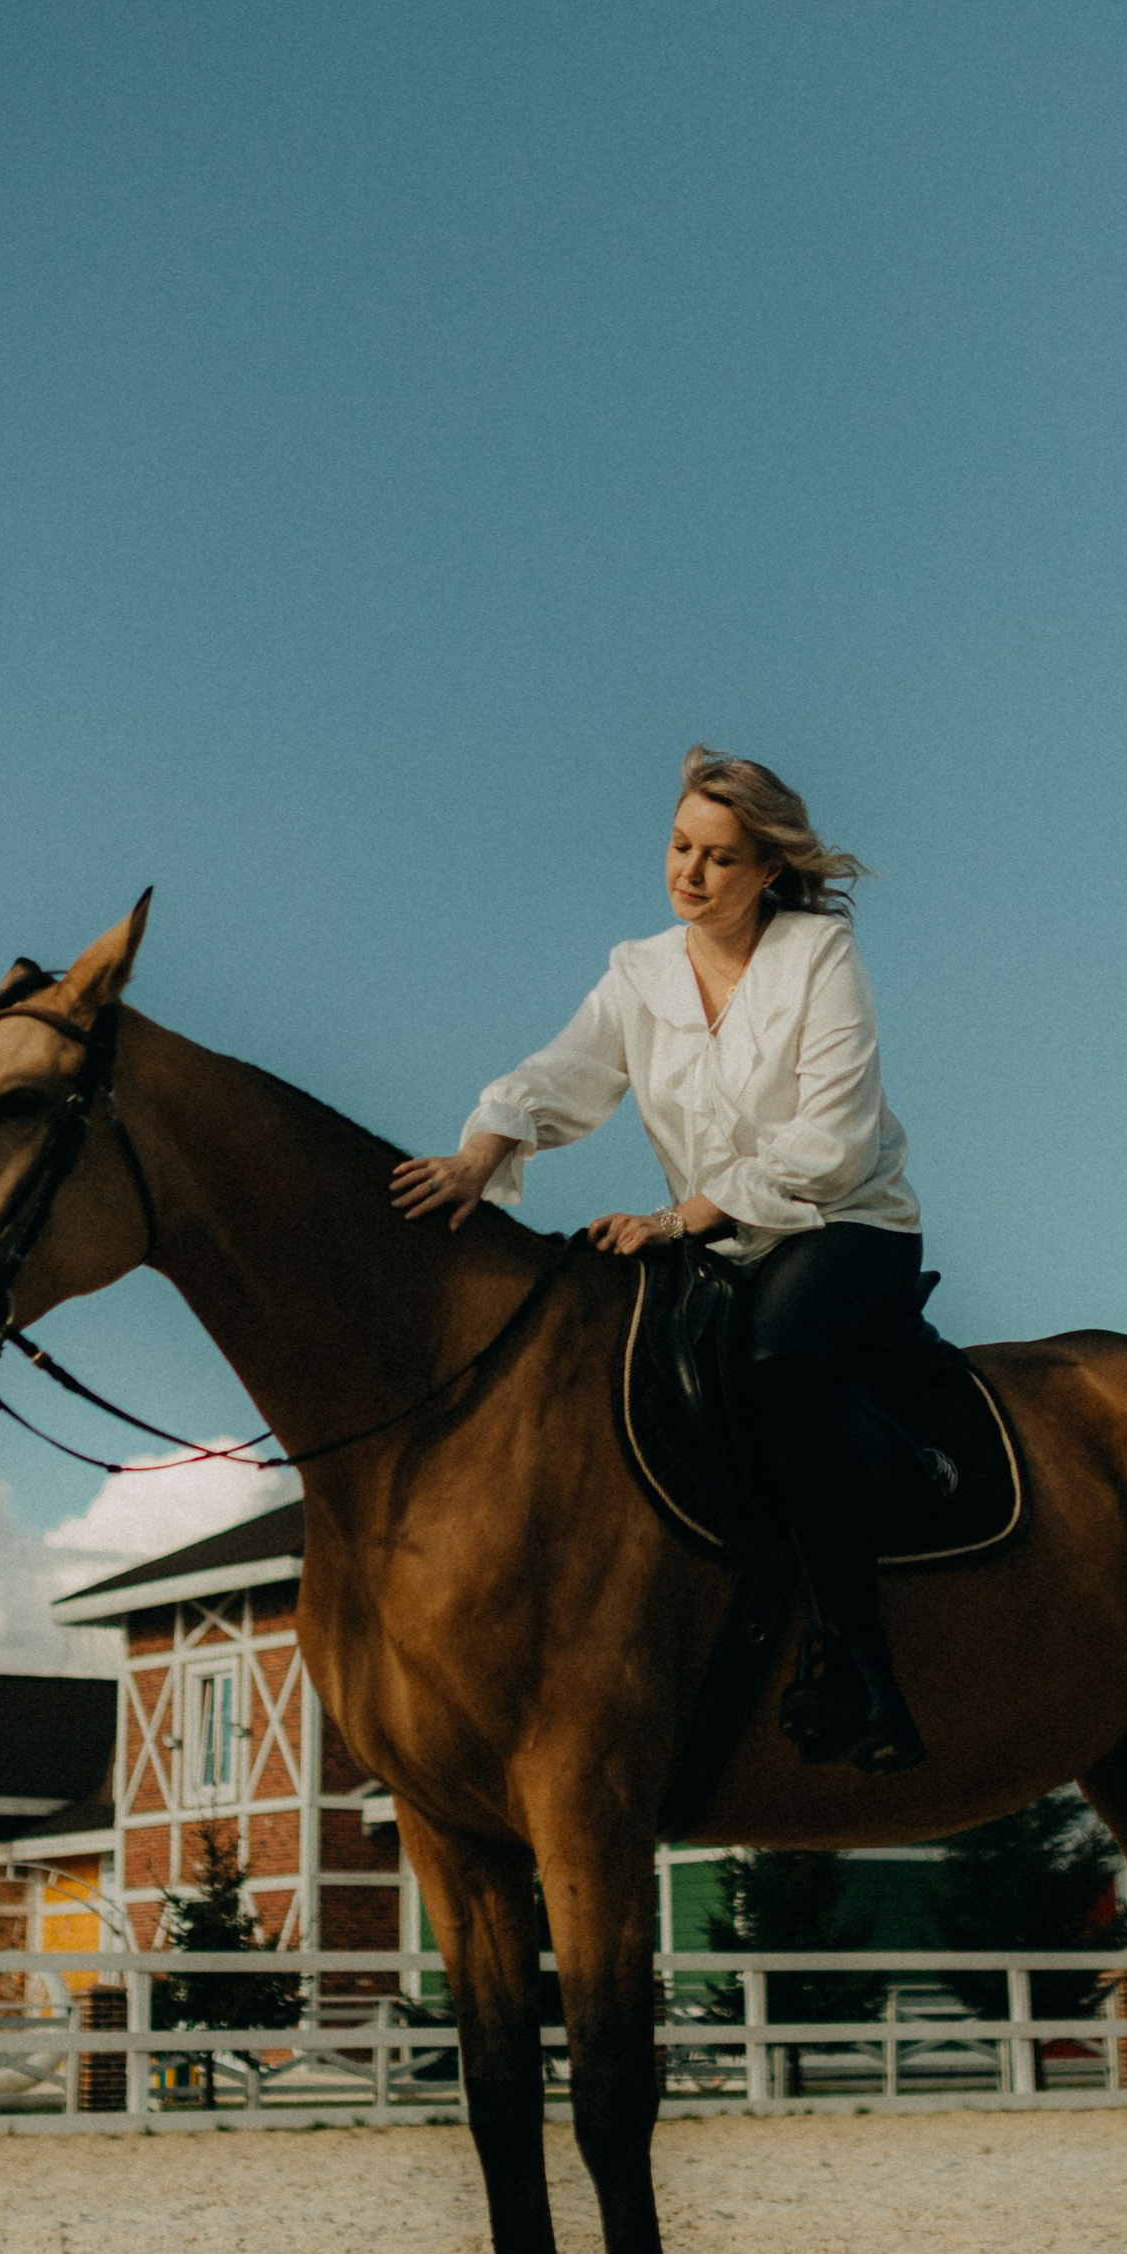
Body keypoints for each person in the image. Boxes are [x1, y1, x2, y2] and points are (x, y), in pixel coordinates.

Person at [392, 746, 928, 1775]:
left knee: (777, 1363)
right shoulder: (638, 971)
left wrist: (679, 1219)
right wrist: (478, 1154)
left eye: (718, 857)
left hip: (843, 1226)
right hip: (709, 1241)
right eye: (680, 846)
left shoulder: (818, 956)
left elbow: (834, 1145)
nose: (689, 873)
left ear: (768, 869)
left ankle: (858, 1664)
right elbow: (565, 1072)